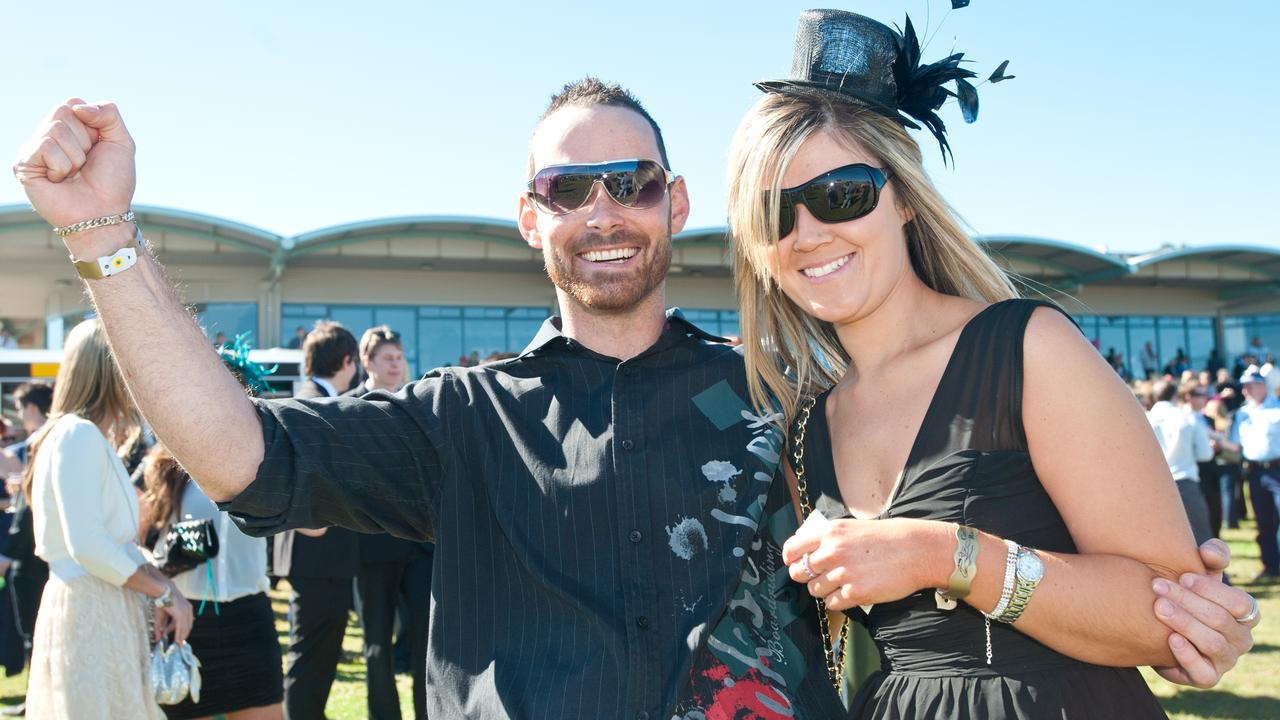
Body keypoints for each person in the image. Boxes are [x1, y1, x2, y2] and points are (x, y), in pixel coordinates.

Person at [9, 83, 1257, 717]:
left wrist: (1178, 592)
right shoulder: (455, 416)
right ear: (529, 219)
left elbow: (983, 515)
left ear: (671, 206)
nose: (600, 209)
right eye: (568, 188)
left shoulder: (782, 401)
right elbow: (235, 452)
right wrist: (104, 238)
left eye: (630, 180)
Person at [726, 9, 1262, 716]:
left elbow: (1169, 622)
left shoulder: (1027, 348)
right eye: (773, 215)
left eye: (841, 195)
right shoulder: (807, 423)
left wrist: (944, 553)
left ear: (905, 201)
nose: (809, 234)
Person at [21, 319, 193, 718]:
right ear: (109, 368)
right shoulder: (76, 435)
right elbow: (88, 545)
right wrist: (164, 594)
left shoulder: (82, 436)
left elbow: (110, 543)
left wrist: (164, 587)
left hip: (103, 607)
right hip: (90, 610)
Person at [140, 444, 283, 720]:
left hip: (250, 621)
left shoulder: (263, 461)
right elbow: (134, 541)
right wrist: (161, 589)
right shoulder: (164, 463)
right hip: (187, 622)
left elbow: (316, 528)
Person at [272, 320, 360, 719]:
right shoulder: (322, 405)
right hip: (320, 551)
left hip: (312, 554)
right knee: (312, 658)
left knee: (313, 656)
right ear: (347, 362)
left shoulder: (303, 397)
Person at [344, 326, 431, 720]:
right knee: (376, 643)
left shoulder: (418, 403)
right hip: (371, 546)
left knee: (427, 640)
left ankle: (430, 712)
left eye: (399, 357)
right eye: (387, 358)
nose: (396, 364)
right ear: (367, 362)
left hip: (420, 547)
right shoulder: (348, 408)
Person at [1222, 371, 1280, 581]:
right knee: (1264, 521)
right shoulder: (1242, 414)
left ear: (1263, 386)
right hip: (1254, 471)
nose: (1246, 390)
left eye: (1251, 385)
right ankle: (1271, 565)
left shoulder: (1277, 407)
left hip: (1277, 468)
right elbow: (1236, 445)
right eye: (1244, 386)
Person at [1148, 381, 1214, 544]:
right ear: (1176, 396)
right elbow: (1205, 454)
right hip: (1185, 481)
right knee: (1200, 537)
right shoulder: (1187, 417)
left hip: (1153, 484)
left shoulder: (1143, 417)